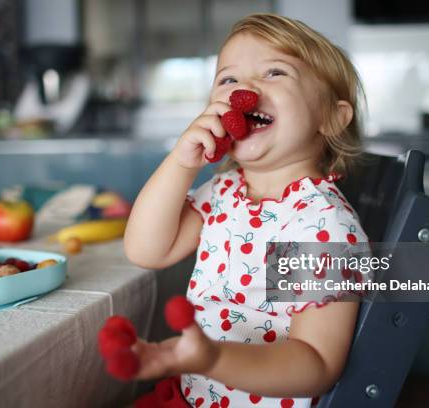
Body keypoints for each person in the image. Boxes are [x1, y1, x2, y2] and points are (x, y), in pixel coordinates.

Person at [124, 13, 370, 408]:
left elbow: (317, 363)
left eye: (275, 72)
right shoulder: (225, 191)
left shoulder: (320, 226)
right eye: (227, 79)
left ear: (331, 118)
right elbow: (146, 250)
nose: (245, 89)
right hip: (191, 396)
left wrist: (215, 358)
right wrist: (182, 163)